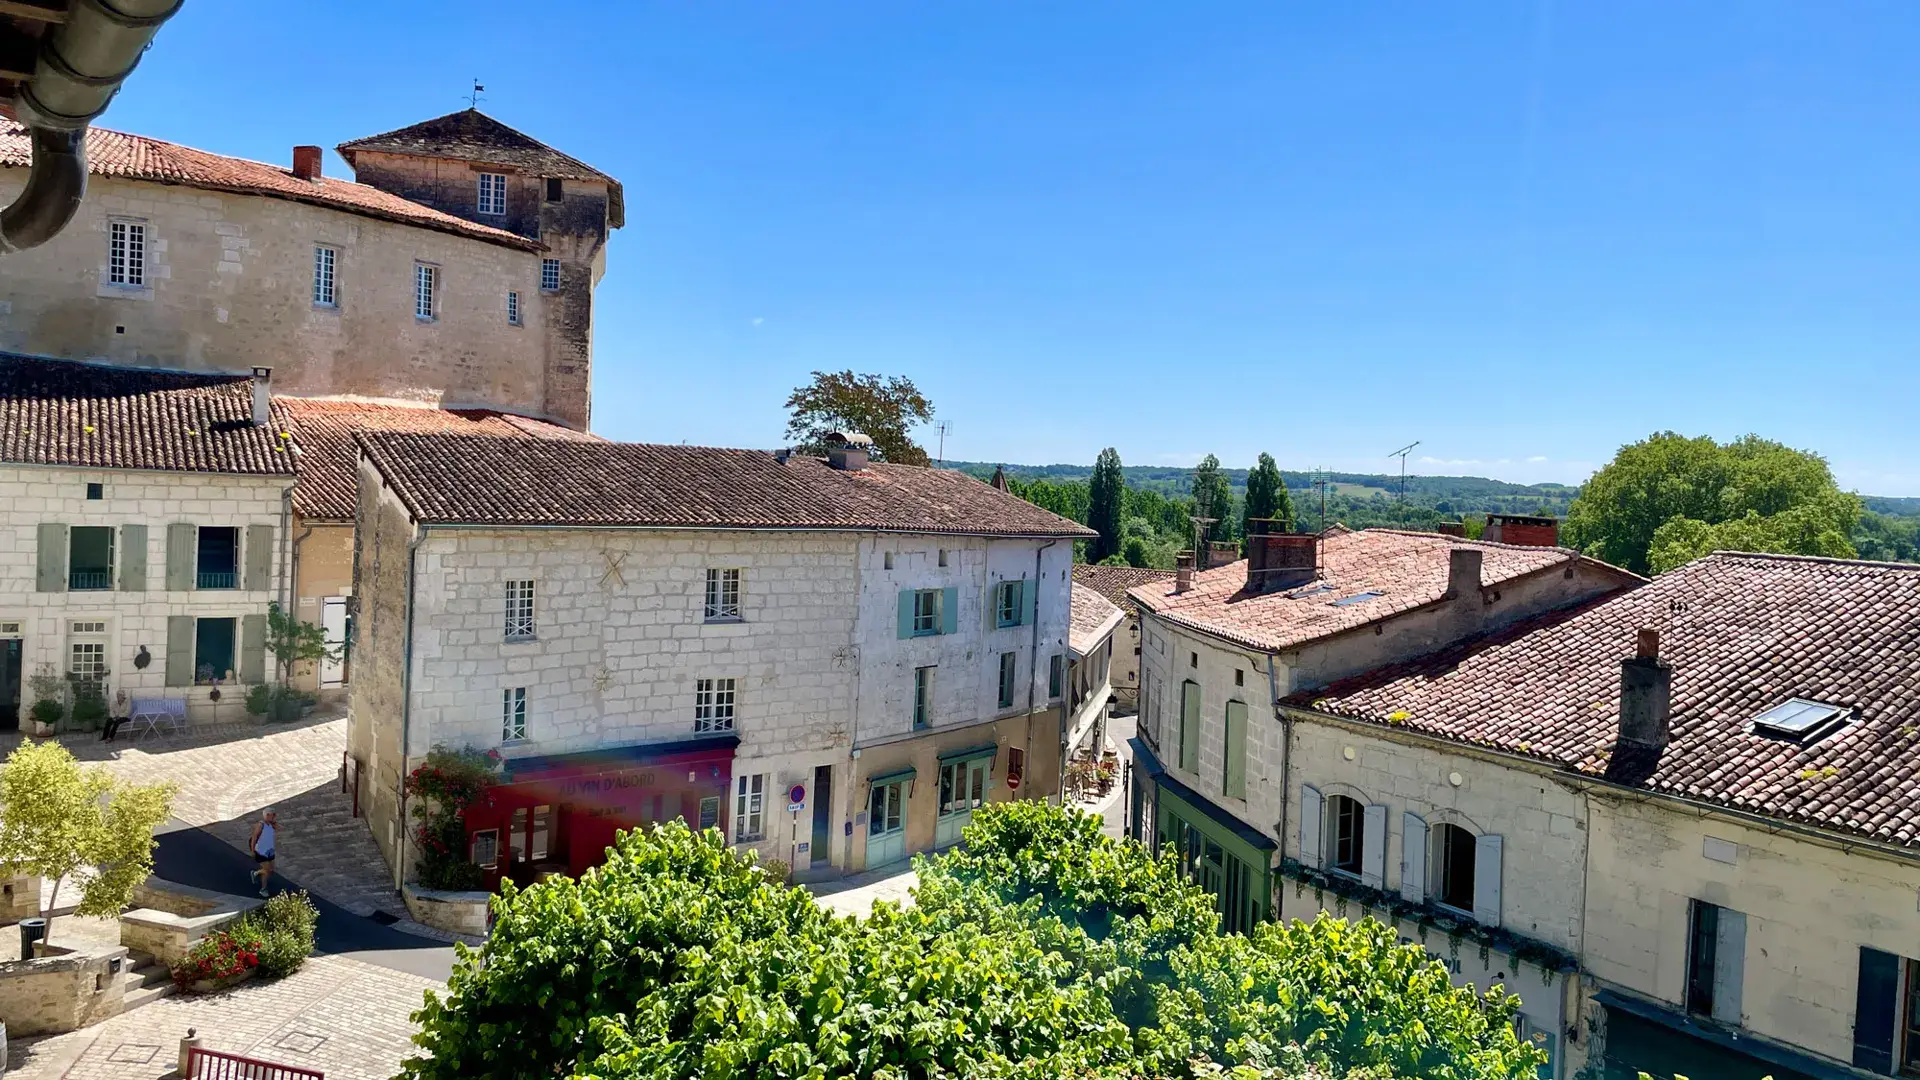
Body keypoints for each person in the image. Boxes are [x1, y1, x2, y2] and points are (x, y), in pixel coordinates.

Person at [248, 809, 277, 897]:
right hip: (260, 851)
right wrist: (253, 850)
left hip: (269, 850)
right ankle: (263, 889)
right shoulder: (260, 825)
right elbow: (254, 837)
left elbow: (280, 828)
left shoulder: (271, 825)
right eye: (273, 815)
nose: (274, 816)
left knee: (271, 870)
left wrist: (274, 823)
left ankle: (255, 873)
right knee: (267, 870)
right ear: (267, 815)